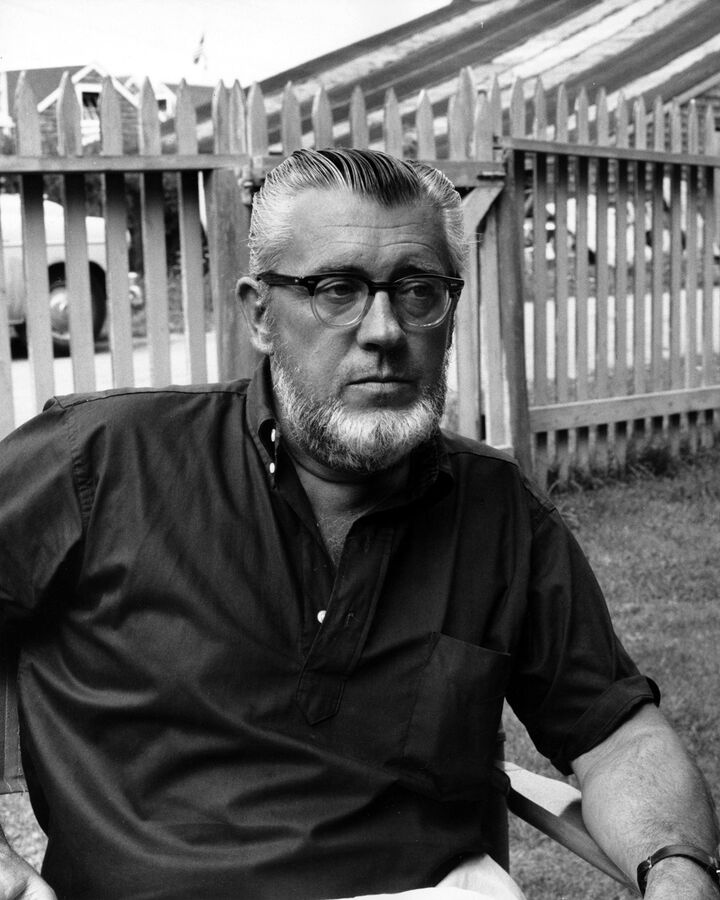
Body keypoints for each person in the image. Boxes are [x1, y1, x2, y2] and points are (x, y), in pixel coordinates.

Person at [0, 148, 717, 900]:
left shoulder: (499, 511)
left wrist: (676, 869)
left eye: (418, 291)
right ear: (260, 313)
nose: (384, 331)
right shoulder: (101, 462)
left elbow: (614, 735)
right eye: (336, 289)